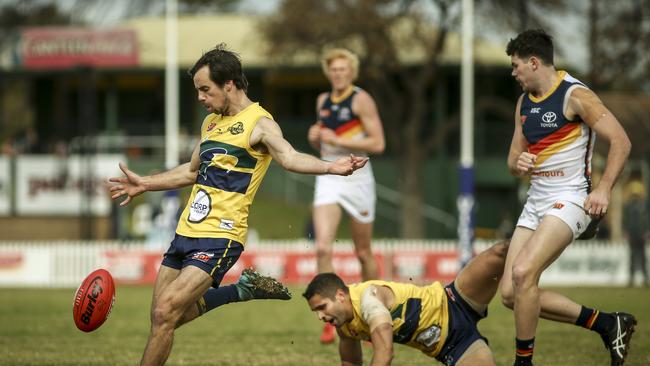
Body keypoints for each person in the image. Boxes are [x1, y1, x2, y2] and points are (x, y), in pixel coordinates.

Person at [108, 43, 369, 366]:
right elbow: (191, 171)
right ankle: (239, 291)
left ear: (228, 84)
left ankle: (236, 291)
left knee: (165, 313)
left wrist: (331, 166)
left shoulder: (260, 123)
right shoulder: (210, 124)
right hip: (186, 231)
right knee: (162, 317)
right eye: (198, 91)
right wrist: (146, 183)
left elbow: (289, 157)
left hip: (221, 236)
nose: (201, 98)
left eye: (205, 90)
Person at [501, 29, 635, 366]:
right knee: (509, 294)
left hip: (571, 198)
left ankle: (523, 362)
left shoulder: (575, 95)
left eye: (516, 66)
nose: (513, 73)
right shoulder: (523, 103)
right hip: (535, 202)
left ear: (534, 62)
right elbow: (512, 162)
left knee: (522, 274)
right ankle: (607, 323)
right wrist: (519, 163)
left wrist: (604, 189)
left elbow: (621, 141)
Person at [304, 241, 509, 366]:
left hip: (454, 300)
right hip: (453, 346)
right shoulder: (344, 327)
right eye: (316, 311)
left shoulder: (368, 300)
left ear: (340, 295)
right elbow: (351, 362)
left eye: (322, 307)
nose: (320, 317)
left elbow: (385, 354)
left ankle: (530, 264)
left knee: (500, 252)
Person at [307, 48, 386, 343]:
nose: (338, 74)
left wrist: (337, 139)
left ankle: (372, 310)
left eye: (343, 69)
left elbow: (378, 143)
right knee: (322, 247)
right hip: (330, 177)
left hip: (359, 178)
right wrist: (315, 138)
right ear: (328, 73)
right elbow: (323, 141)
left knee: (363, 252)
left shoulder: (361, 99)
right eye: (334, 70)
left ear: (352, 72)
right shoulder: (322, 100)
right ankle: (329, 317)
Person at [623, 180, 649, 287]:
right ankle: (631, 278)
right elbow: (624, 220)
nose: (635, 197)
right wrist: (625, 231)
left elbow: (647, 220)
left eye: (637, 194)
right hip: (633, 234)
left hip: (641, 234)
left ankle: (645, 279)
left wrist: (647, 231)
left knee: (643, 257)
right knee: (632, 257)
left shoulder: (645, 206)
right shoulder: (628, 206)